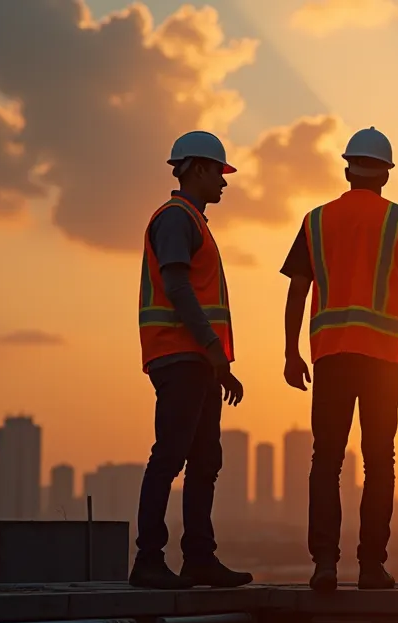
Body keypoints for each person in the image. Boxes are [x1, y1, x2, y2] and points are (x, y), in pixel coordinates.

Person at [279, 127, 398, 592]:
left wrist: (291, 352)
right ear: (385, 174)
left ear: (347, 168)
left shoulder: (316, 220)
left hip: (330, 355)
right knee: (379, 461)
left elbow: (296, 289)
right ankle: (371, 566)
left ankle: (324, 564)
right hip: (383, 359)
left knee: (325, 459)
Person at [130, 130, 253, 590]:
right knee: (171, 456)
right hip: (179, 355)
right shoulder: (177, 219)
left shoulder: (193, 222)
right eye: (219, 173)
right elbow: (179, 289)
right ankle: (149, 559)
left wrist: (218, 362)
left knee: (205, 458)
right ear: (197, 168)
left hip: (195, 358)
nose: (224, 182)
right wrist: (214, 353)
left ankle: (199, 557)